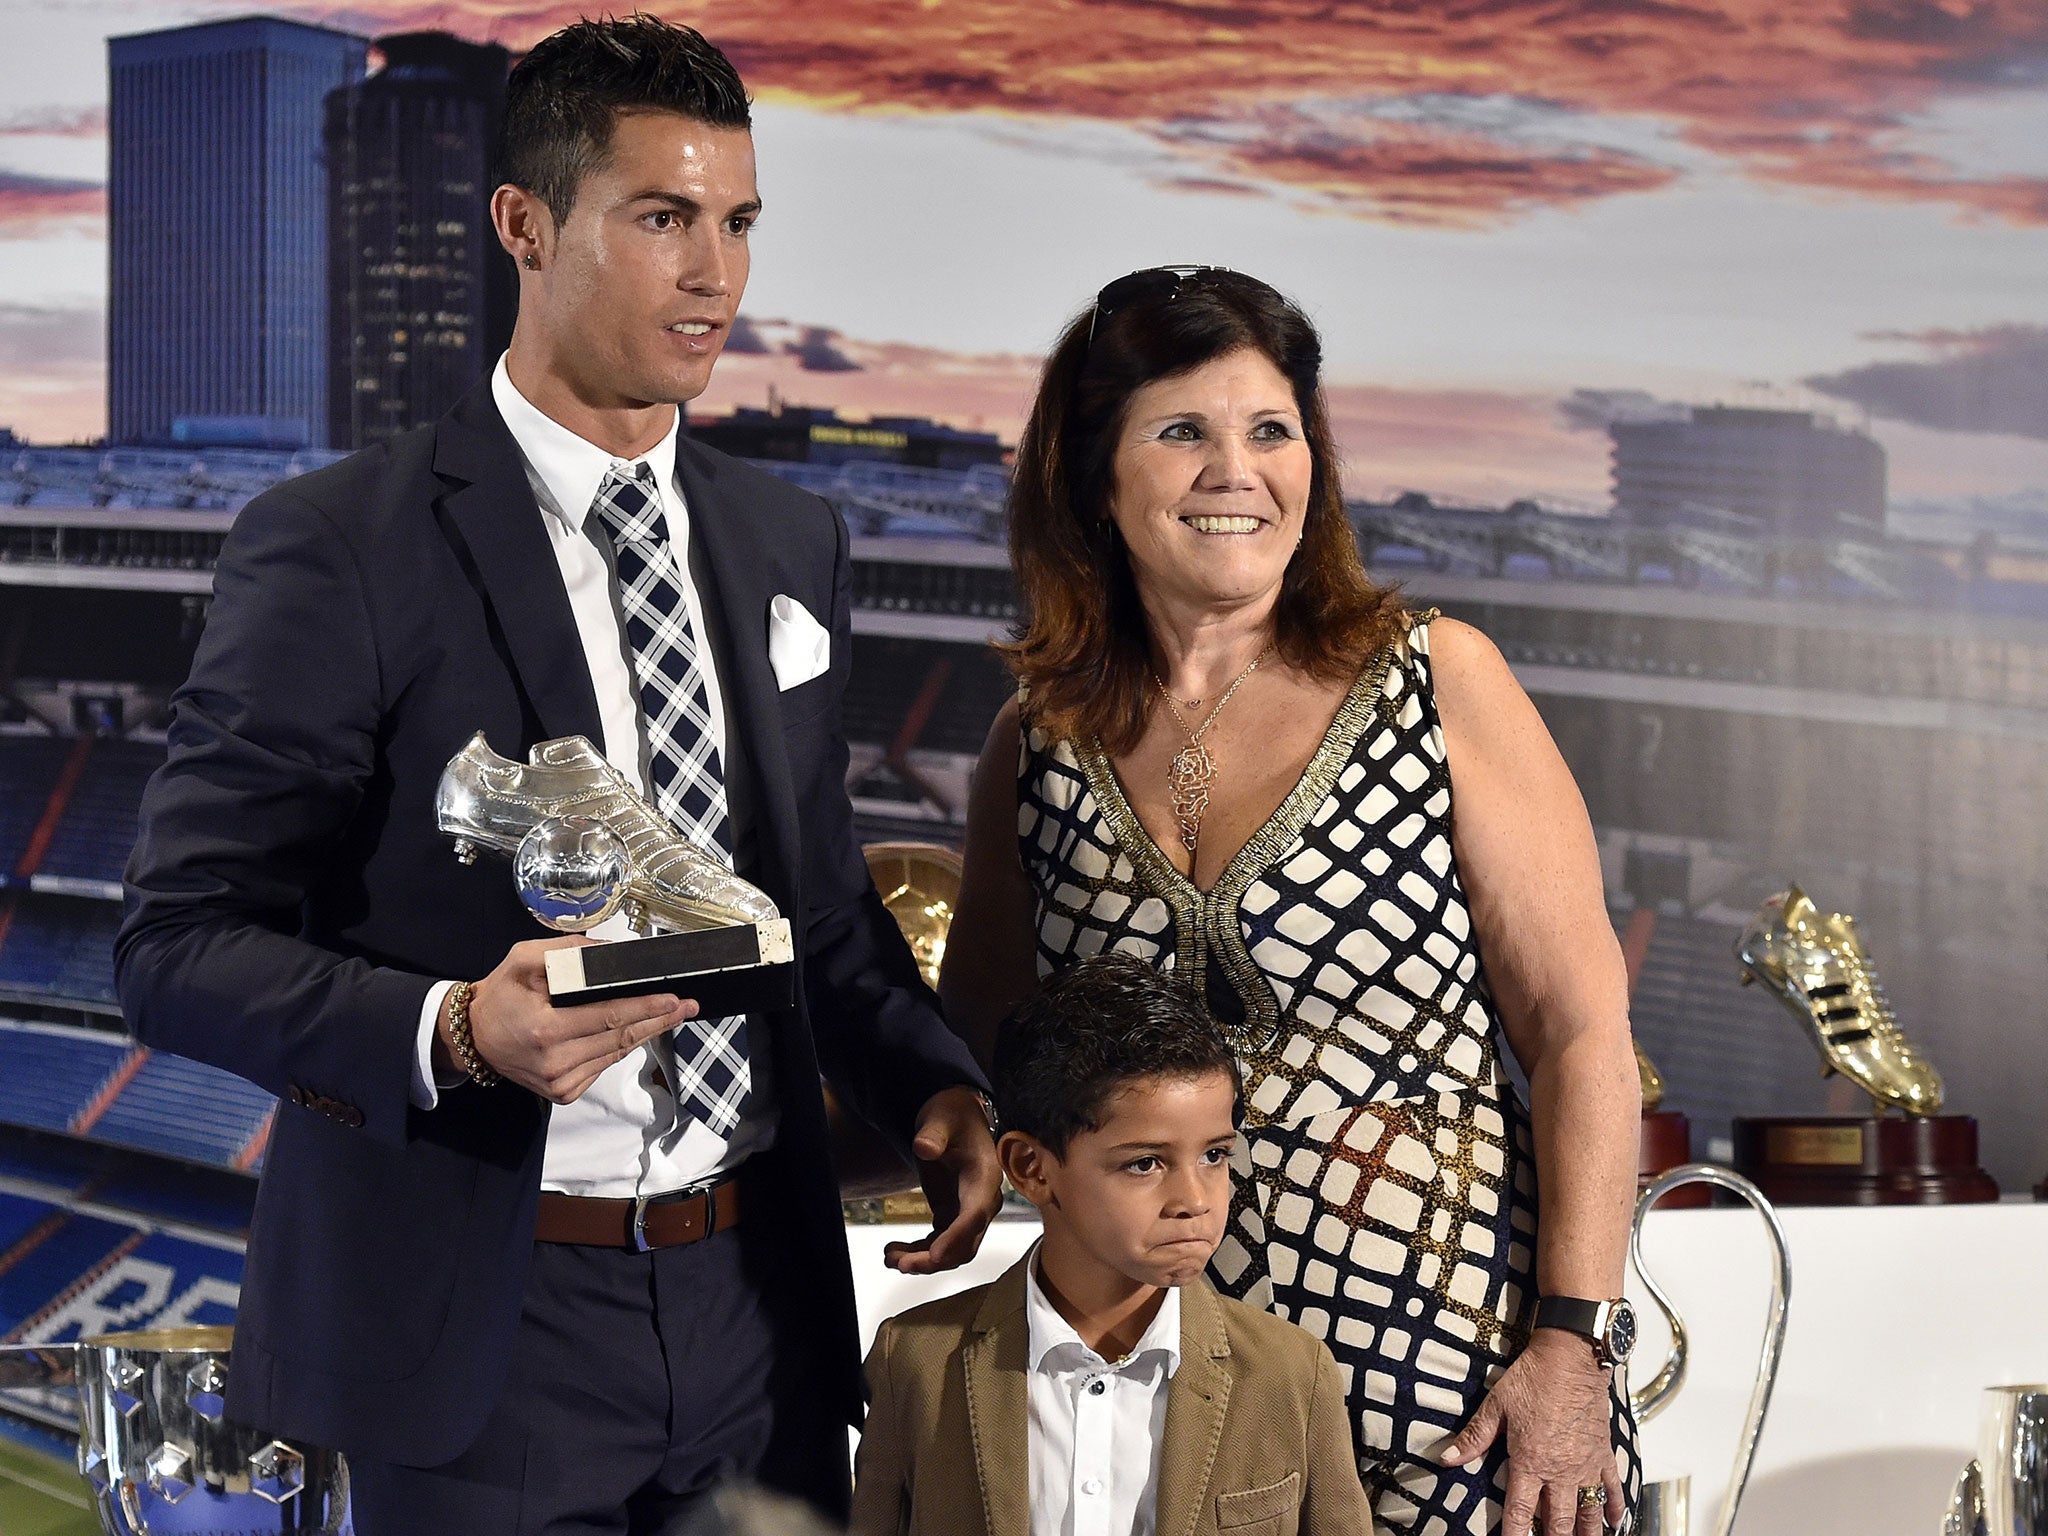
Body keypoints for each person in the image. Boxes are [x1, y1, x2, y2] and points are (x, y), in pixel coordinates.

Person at [114, 18, 1000, 1533]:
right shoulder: (340, 545)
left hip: (760, 1317)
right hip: (487, 1324)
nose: (716, 273)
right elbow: (173, 943)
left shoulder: (793, 543)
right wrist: (453, 1029)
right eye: (662, 219)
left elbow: (821, 912)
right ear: (525, 225)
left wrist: (934, 1084)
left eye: (736, 223)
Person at [940, 266, 1643, 1535]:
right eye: (1181, 432)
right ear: (1091, 471)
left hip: (1460, 1385)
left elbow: (1584, 1034)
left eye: (1271, 430)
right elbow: (986, 1059)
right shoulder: (1033, 747)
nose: (1234, 471)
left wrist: (1573, 1346)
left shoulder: (1436, 681)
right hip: (1164, 1390)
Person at [849, 951, 1372, 1536]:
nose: (1194, 1199)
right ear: (1030, 1168)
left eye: (1215, 1155)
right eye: (1145, 1163)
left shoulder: (1292, 1374)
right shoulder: (915, 1363)